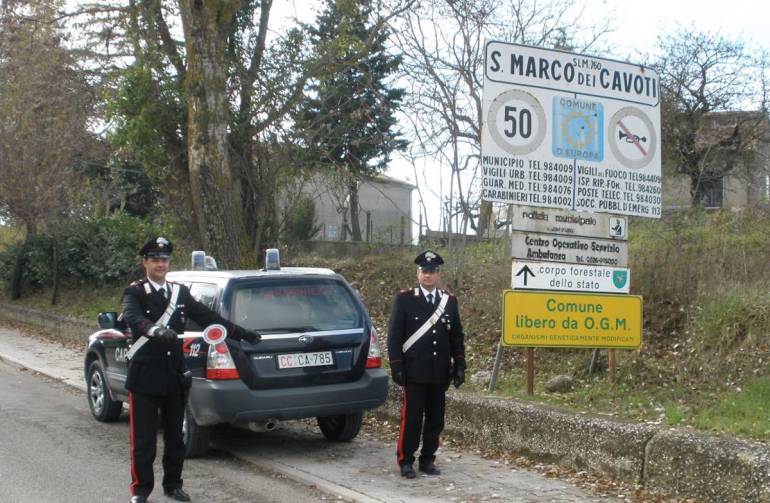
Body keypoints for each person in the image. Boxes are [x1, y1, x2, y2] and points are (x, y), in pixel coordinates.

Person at [122, 236, 260, 503]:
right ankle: (141, 489)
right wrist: (153, 329)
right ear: (145, 262)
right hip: (144, 377)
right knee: (144, 441)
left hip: (174, 376)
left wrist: (243, 334)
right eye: (155, 260)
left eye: (164, 260)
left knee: (176, 438)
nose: (161, 264)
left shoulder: (179, 292)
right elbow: (132, 317)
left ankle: (173, 485)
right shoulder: (135, 292)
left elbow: (210, 319)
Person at [387, 250, 466, 479]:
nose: (428, 275)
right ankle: (406, 460)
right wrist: (396, 366)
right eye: (424, 271)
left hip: (439, 372)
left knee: (436, 419)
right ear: (418, 273)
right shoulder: (404, 299)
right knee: (412, 418)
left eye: (432, 271)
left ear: (438, 274)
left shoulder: (449, 301)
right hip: (414, 371)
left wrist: (460, 365)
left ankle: (428, 459)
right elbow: (394, 337)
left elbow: (457, 337)